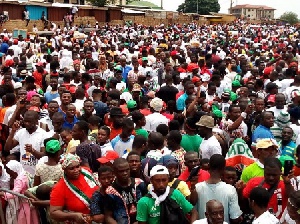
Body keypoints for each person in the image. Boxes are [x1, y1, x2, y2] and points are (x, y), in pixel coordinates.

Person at [190, 154, 242, 223]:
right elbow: (235, 217)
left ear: (208, 166)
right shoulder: (230, 190)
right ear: (223, 169)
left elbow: (193, 211)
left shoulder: (197, 188)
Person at [50, 153, 98, 223]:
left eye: (77, 166)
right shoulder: (59, 188)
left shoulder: (86, 172)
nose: (76, 170)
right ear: (65, 169)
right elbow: (53, 213)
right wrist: (73, 215)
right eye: (71, 168)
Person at [4, 110, 47, 175]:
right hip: (23, 174)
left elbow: (43, 156)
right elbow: (7, 148)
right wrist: (13, 131)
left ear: (36, 122)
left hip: (37, 174)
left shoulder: (43, 134)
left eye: (29, 122)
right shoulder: (21, 132)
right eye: (25, 121)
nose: (26, 123)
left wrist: (33, 151)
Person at [104, 158, 146, 224]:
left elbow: (148, 206)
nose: (125, 173)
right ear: (114, 172)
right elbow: (108, 216)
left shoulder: (139, 183)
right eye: (121, 171)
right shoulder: (110, 192)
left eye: (127, 170)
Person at [0, 160, 39, 224]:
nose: (8, 173)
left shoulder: (19, 180)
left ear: (14, 170)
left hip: (25, 204)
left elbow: (14, 193)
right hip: (29, 203)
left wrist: (3, 194)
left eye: (9, 171)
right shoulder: (24, 173)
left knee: (24, 220)